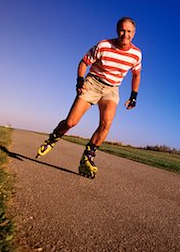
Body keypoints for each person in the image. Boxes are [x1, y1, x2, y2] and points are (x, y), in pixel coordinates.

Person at [36, 17, 142, 178]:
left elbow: (136, 74)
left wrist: (133, 95)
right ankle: (53, 138)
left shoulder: (136, 54)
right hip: (92, 83)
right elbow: (84, 62)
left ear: (133, 33)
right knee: (71, 122)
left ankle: (88, 156)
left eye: (128, 31)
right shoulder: (104, 45)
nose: (125, 34)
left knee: (106, 124)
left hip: (112, 89)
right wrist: (80, 81)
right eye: (122, 30)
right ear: (117, 30)